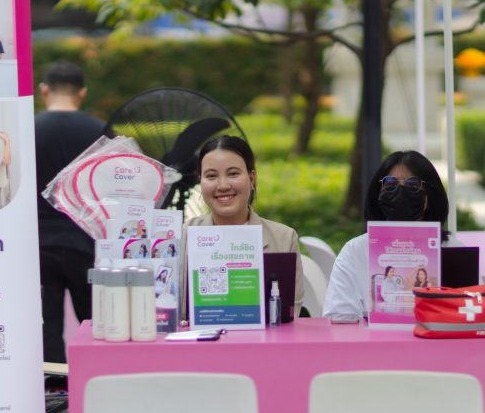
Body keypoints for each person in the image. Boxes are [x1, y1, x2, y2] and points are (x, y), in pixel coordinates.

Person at [34, 61, 112, 363]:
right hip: (86, 243)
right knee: (94, 323)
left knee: (46, 325)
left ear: (44, 90)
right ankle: (96, 376)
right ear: (82, 93)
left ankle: (53, 385)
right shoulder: (100, 132)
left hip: (38, 245)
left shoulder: (29, 129)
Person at [179, 135, 305, 319]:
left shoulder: (284, 239)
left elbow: (290, 314)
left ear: (251, 179)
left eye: (233, 174)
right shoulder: (182, 237)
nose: (223, 186)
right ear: (201, 182)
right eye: (211, 176)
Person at [322, 150, 449, 320]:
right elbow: (337, 316)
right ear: (379, 194)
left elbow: (474, 311)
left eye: (412, 185)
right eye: (390, 184)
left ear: (428, 198)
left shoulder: (452, 249)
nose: (400, 191)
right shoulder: (355, 251)